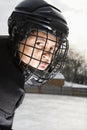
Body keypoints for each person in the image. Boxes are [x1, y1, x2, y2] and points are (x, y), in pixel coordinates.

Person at [0, 0, 69, 129]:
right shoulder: (7, 85)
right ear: (17, 35)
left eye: (52, 48)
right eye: (39, 44)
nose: (47, 55)